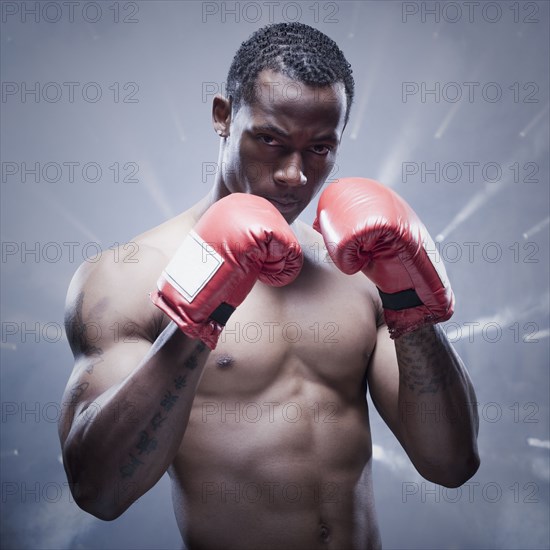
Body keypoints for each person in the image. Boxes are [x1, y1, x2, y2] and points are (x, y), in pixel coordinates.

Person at [59, 22, 480, 550]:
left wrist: (407, 302)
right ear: (223, 116)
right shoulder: (126, 278)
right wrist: (199, 314)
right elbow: (99, 490)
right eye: (270, 139)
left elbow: (452, 463)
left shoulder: (357, 269)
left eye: (320, 148)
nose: (294, 176)